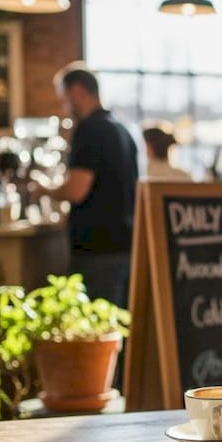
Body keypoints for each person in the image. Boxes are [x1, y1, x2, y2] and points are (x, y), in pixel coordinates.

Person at [45, 63, 139, 311]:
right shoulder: (123, 130)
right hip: (125, 246)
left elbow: (76, 190)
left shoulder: (89, 130)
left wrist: (44, 190)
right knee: (116, 328)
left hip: (97, 248)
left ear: (76, 91)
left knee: (94, 332)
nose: (64, 108)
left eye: (64, 100)